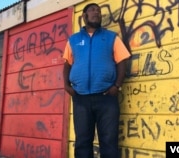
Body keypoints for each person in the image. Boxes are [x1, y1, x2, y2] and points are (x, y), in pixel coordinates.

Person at [63, 3, 131, 158]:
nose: (97, 13)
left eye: (99, 11)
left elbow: (122, 61)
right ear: (84, 16)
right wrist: (66, 85)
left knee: (108, 141)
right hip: (80, 98)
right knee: (82, 142)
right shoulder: (73, 40)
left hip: (107, 97)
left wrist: (117, 86)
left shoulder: (111, 37)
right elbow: (67, 63)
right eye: (92, 11)